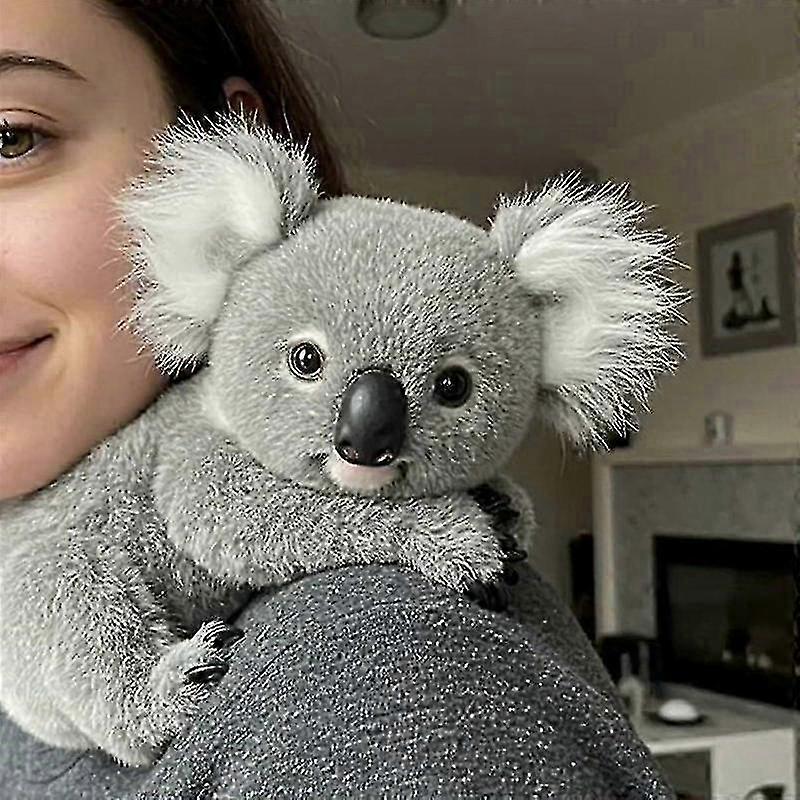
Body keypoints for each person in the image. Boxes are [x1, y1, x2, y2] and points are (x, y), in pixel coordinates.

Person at [0, 1, 676, 796]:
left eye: (7, 137)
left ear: (222, 140)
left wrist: (427, 532)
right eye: (308, 362)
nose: (367, 425)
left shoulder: (392, 674)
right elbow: (222, 519)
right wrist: (418, 528)